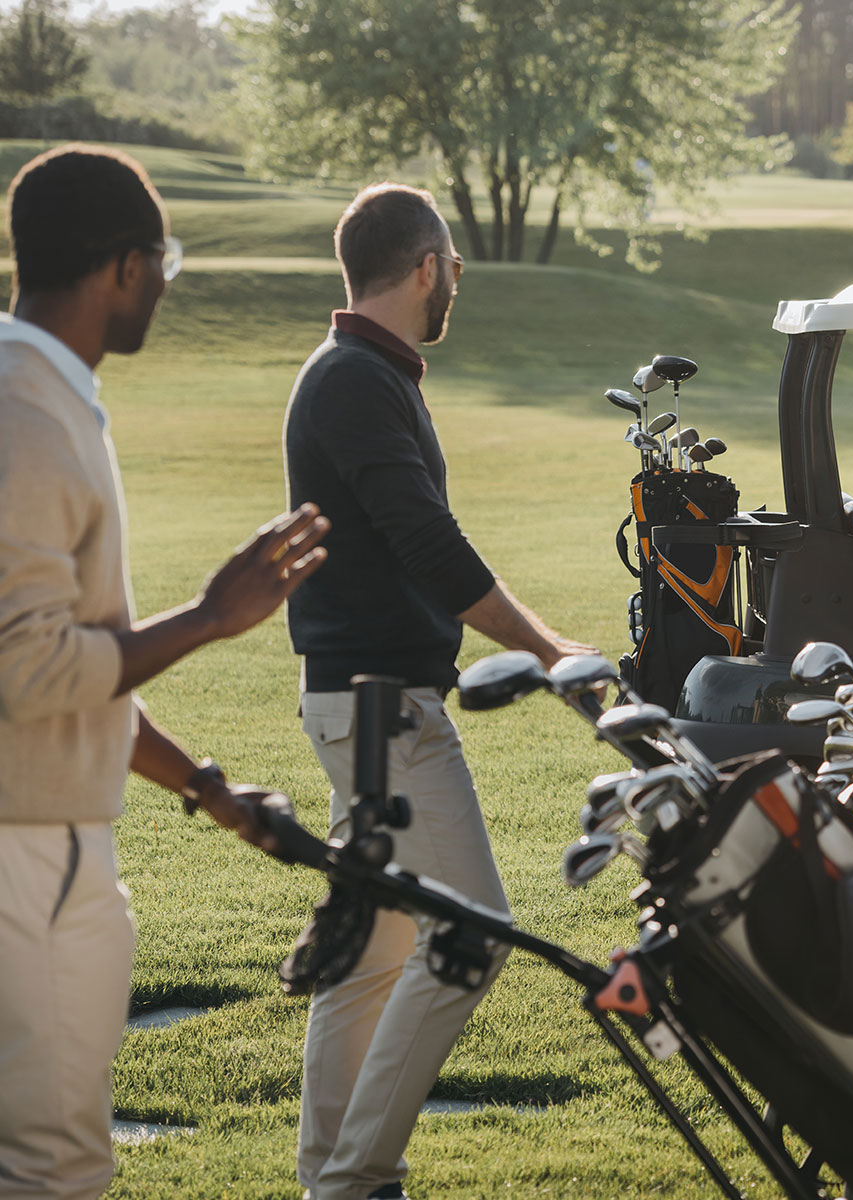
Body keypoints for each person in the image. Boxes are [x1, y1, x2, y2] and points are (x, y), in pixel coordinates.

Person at [0, 144, 329, 1200]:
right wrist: (210, 618)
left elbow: (71, 669)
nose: (165, 288)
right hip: (27, 852)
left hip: (50, 842)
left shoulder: (42, 397)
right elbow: (31, 672)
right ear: (126, 268)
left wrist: (204, 790)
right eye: (165, 263)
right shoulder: (26, 417)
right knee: (56, 1168)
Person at [282, 182, 596, 1200]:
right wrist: (551, 650)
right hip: (382, 710)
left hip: (366, 705)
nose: (454, 278)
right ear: (425, 266)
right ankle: (360, 1175)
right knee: (469, 934)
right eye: (452, 264)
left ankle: (336, 1179)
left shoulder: (367, 373)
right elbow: (426, 543)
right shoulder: (355, 382)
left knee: (374, 956)